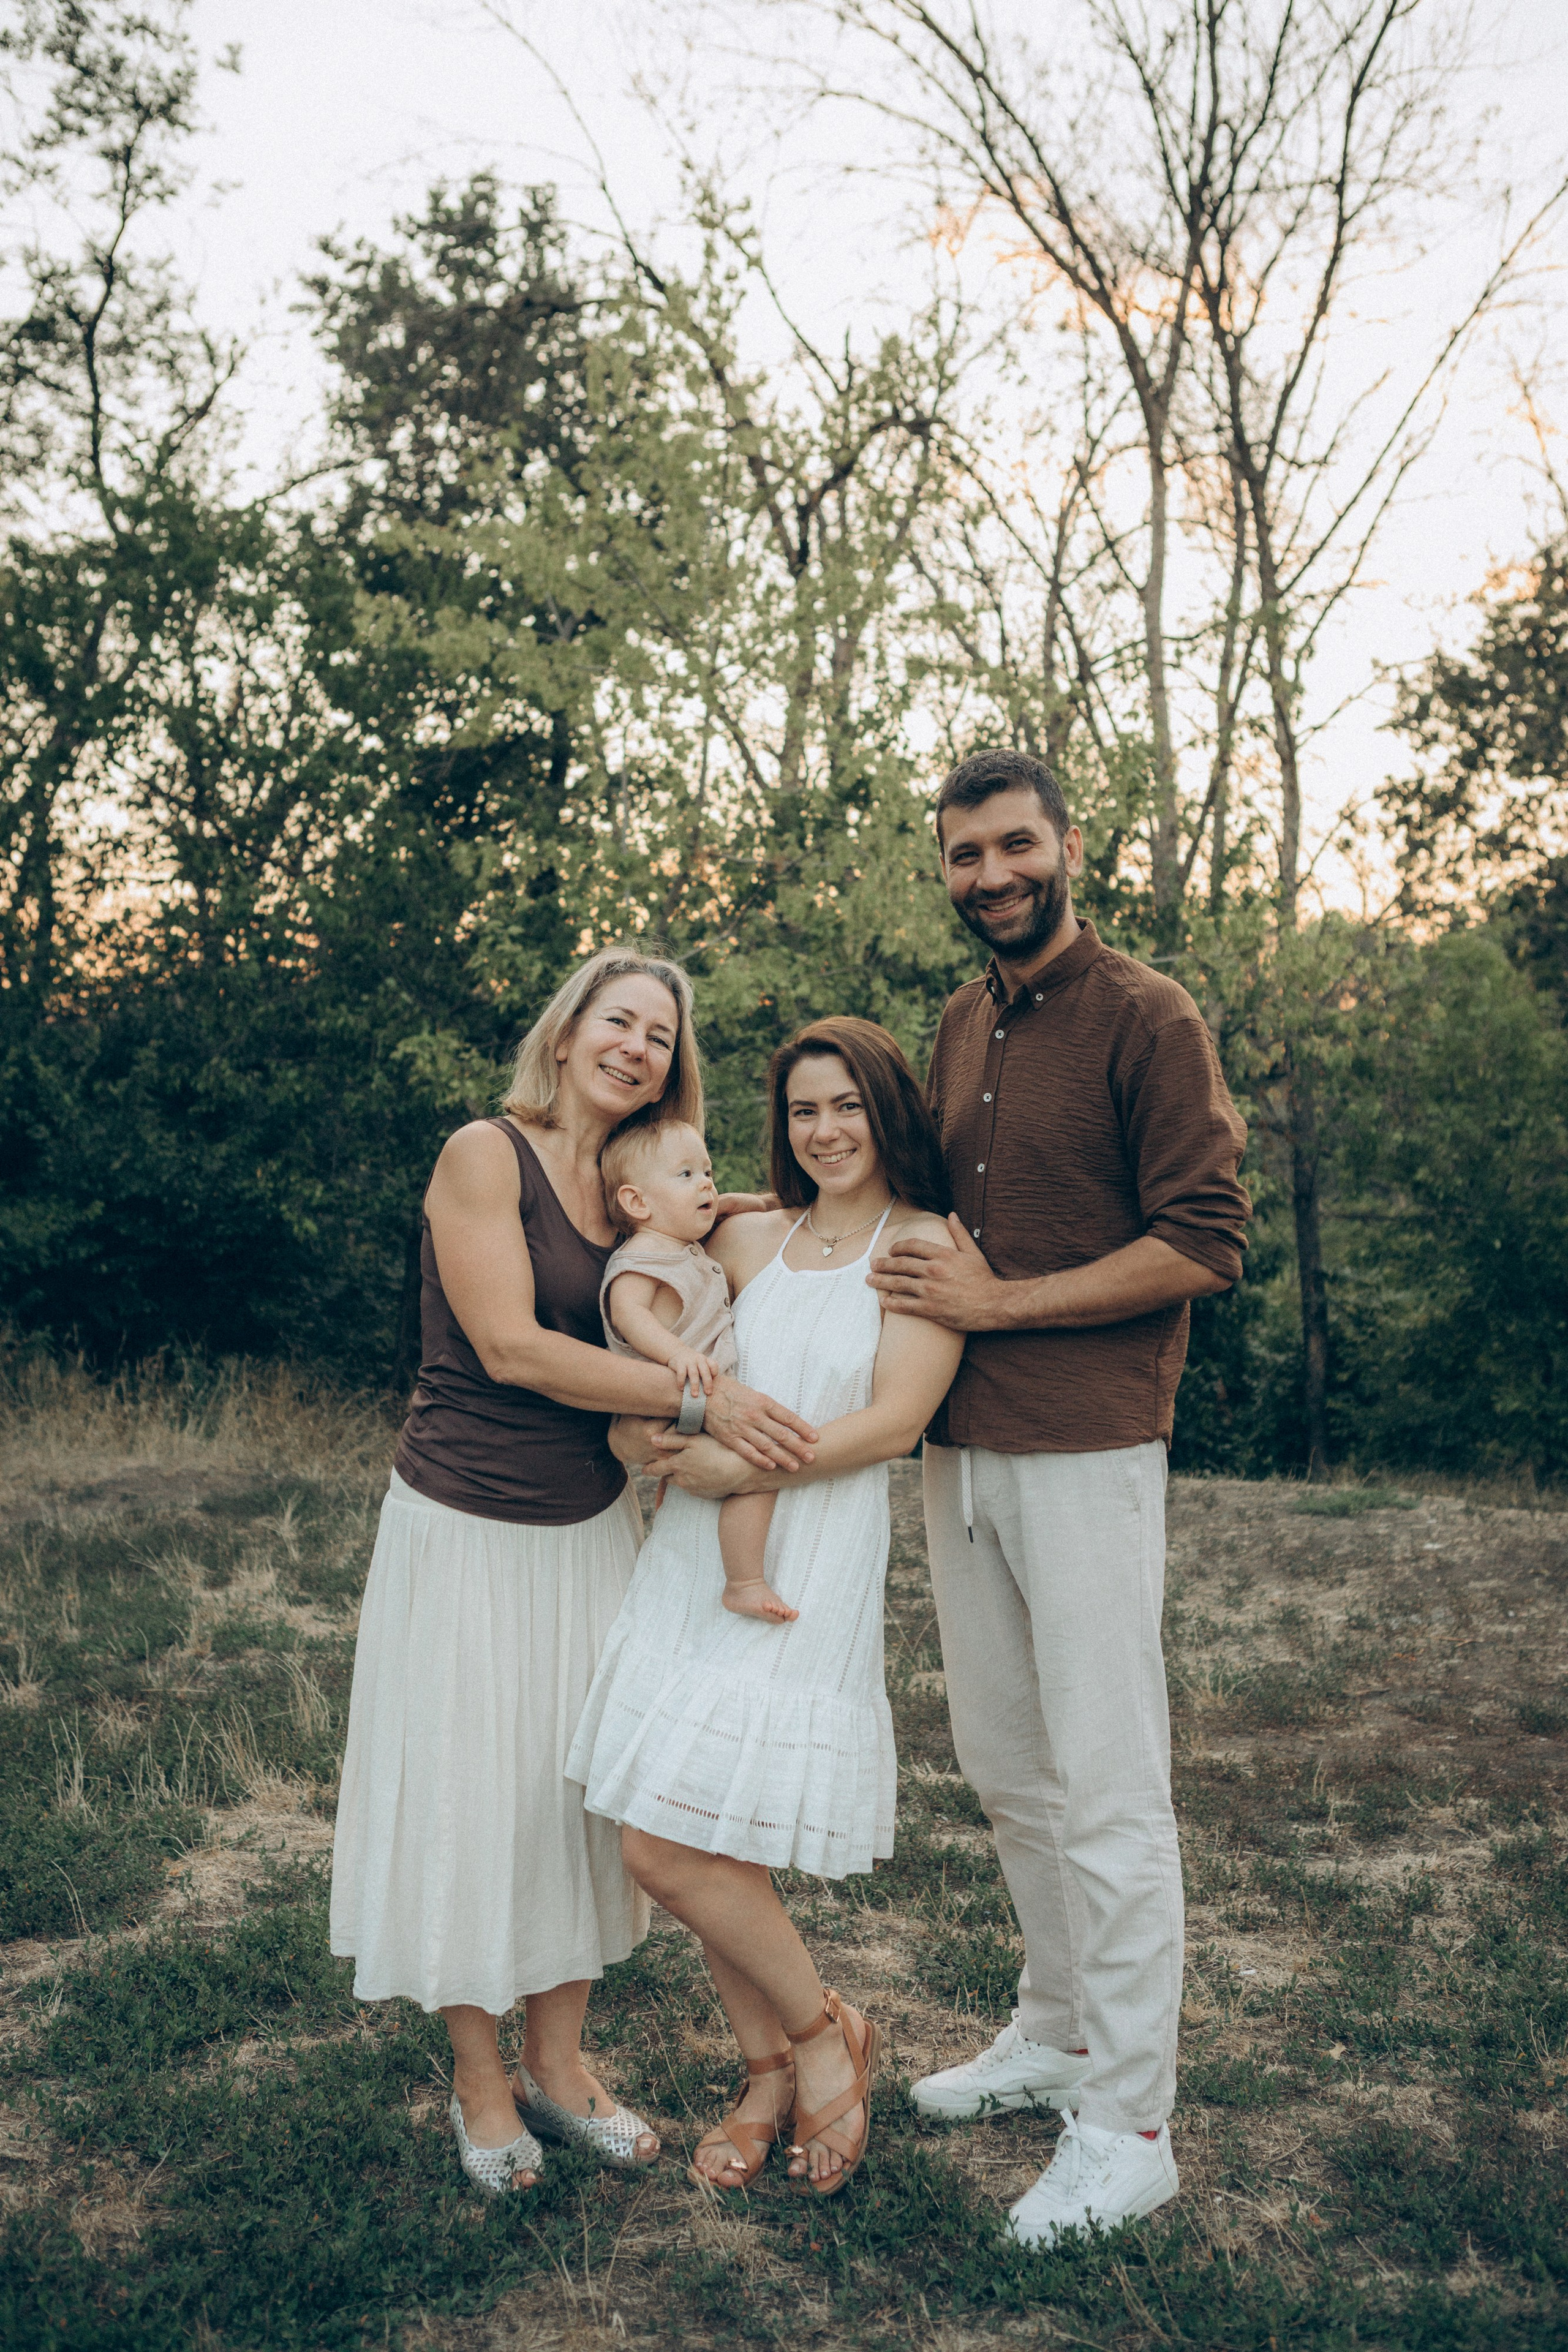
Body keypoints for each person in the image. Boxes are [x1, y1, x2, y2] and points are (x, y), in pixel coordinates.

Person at [329, 947, 818, 2198]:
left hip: (597, 1533)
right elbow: (510, 1348)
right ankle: (479, 2082)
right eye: (618, 1020)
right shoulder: (482, 1155)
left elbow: (791, 1219)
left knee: (578, 1808)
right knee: (468, 1800)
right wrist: (701, 1401)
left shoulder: (642, 1192)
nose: (637, 1046)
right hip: (468, 1529)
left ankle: (560, 2064)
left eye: (660, 1034)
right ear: (565, 1034)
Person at [868, 750, 1250, 2250]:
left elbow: (1202, 1242)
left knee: (1105, 1786)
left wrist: (1005, 1302)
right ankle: (1054, 2030)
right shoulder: (964, 1016)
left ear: (1066, 846)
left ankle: (1130, 2123)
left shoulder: (1146, 1016)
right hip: (959, 1447)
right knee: (1004, 1764)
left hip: (1085, 1446)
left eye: (1012, 845)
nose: (989, 876)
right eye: (963, 855)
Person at [567, 1018, 964, 2196]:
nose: (826, 1129)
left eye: (847, 1106)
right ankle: (768, 2066)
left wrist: (749, 1468)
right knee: (691, 1822)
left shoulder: (925, 1245)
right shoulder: (749, 1231)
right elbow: (655, 1280)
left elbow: (895, 1423)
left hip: (805, 1558)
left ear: (887, 1113)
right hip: (693, 1559)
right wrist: (641, 1428)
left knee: (665, 1843)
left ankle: (819, 2036)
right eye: (803, 1110)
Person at [598, 1117, 796, 1624]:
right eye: (686, 1175)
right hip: (672, 1394)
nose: (707, 1183)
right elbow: (629, 1314)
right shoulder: (642, 1255)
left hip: (691, 1396)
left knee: (722, 1473)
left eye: (707, 1170)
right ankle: (744, 1581)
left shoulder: (683, 1246)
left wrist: (753, 1203)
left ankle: (710, 1559)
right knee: (756, 1473)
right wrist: (674, 1355)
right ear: (638, 1203)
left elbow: (730, 1205)